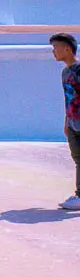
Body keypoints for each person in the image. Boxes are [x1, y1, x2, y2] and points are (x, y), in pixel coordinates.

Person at [50, 32, 80, 210]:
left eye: (56, 48)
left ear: (67, 49)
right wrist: (66, 120)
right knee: (78, 158)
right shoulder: (65, 72)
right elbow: (68, 98)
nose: (53, 52)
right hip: (73, 122)